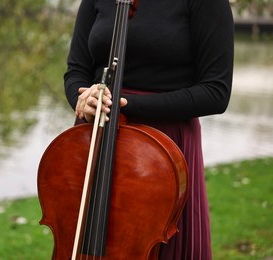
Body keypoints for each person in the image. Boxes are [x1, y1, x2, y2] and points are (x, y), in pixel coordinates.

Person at [63, 0, 234, 259]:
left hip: (162, 147)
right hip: (97, 133)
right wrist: (84, 98)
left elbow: (215, 92)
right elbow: (77, 70)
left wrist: (128, 104)